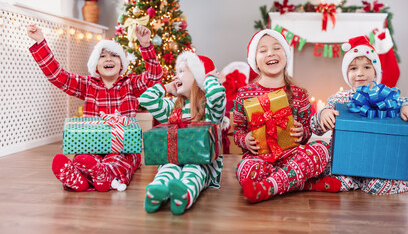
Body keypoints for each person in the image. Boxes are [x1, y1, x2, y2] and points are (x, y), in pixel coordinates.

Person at [27, 24, 163, 192]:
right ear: (95, 65)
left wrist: (145, 45)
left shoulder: (131, 84)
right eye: (102, 56)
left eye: (114, 55)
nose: (108, 59)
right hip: (92, 144)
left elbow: (154, 76)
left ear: (121, 65)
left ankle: (101, 175)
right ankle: (81, 178)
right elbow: (57, 76)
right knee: (86, 158)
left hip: (123, 147)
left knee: (119, 160)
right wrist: (41, 42)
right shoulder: (87, 85)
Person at [308, 36, 408, 194]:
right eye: (353, 68)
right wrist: (323, 114)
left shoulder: (383, 96)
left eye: (366, 67)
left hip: (376, 162)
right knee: (337, 182)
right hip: (345, 163)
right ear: (346, 73)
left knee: (375, 186)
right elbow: (315, 128)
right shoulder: (338, 99)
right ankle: (354, 182)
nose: (360, 73)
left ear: (375, 72)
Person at [233, 29, 330, 203]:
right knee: (245, 170)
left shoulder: (299, 95)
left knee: (322, 149)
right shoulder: (244, 94)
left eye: (277, 48)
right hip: (260, 159)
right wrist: (245, 139)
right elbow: (238, 131)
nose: (271, 53)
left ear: (285, 55)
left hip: (291, 156)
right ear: (255, 60)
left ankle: (268, 187)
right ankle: (301, 183)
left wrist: (303, 133)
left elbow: (308, 130)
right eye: (263, 50)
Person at [139, 51, 226, 215]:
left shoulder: (210, 107)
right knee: (168, 168)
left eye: (182, 71)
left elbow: (217, 94)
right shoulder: (172, 106)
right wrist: (166, 87)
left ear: (198, 77)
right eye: (176, 71)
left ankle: (184, 194)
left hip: (204, 164)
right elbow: (145, 99)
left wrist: (208, 79)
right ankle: (156, 192)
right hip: (175, 158)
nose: (176, 76)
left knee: (193, 170)